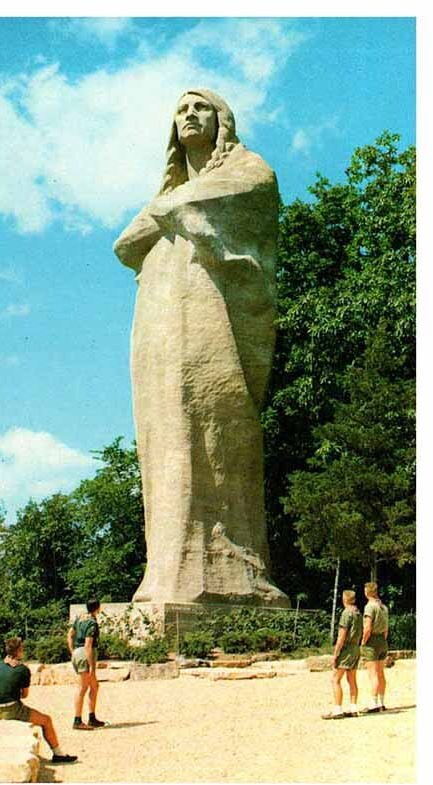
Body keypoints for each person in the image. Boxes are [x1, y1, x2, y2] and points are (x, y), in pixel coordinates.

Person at [114, 89, 288, 607]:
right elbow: (124, 245)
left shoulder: (248, 169)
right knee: (164, 438)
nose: (189, 115)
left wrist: (171, 211)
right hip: (161, 321)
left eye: (200, 107)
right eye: (181, 110)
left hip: (212, 320)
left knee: (214, 428)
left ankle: (231, 571)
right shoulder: (174, 191)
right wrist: (173, 209)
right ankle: (168, 570)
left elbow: (250, 197)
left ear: (221, 121)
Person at [0, 637, 77, 764]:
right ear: (19, 651)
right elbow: (25, 695)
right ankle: (58, 754)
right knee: (46, 720)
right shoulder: (22, 669)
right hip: (10, 709)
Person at [322, 590, 363, 720]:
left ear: (344, 599)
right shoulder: (358, 613)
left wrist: (335, 653)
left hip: (347, 649)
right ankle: (353, 708)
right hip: (356, 647)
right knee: (352, 679)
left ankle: (337, 709)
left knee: (335, 679)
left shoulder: (346, 613)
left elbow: (341, 636)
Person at [68, 598, 105, 729]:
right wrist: (92, 667)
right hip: (86, 654)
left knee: (94, 686)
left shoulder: (79, 618)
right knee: (82, 688)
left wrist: (73, 651)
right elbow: (88, 645)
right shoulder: (92, 623)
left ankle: (92, 717)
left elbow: (70, 634)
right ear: (98, 608)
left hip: (78, 652)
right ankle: (77, 720)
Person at [361, 581, 389, 712]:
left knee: (373, 674)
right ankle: (382, 702)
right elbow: (386, 629)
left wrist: (363, 641)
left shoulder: (369, 607)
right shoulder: (384, 607)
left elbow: (367, 628)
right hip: (382, 640)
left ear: (367, 592)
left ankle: (373, 703)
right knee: (381, 673)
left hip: (372, 641)